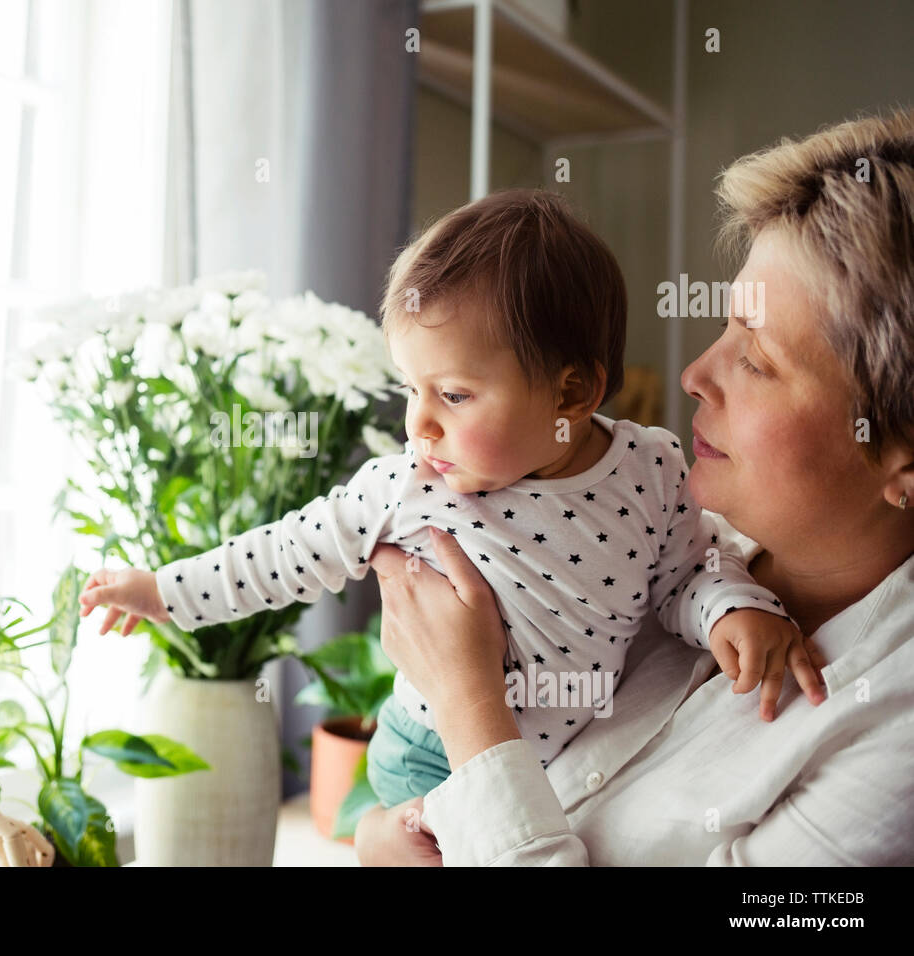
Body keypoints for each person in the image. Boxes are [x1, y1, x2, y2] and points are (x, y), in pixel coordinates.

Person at [78, 189, 813, 810]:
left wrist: (732, 608)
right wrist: (161, 591)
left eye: (454, 395)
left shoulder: (650, 467)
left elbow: (684, 576)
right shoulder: (410, 483)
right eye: (411, 388)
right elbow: (284, 552)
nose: (418, 423)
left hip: (574, 762)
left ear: (573, 392)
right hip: (428, 756)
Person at [355, 108, 914, 865]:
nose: (694, 376)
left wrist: (468, 702)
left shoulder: (893, 745)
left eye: (757, 360)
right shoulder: (657, 536)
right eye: (724, 330)